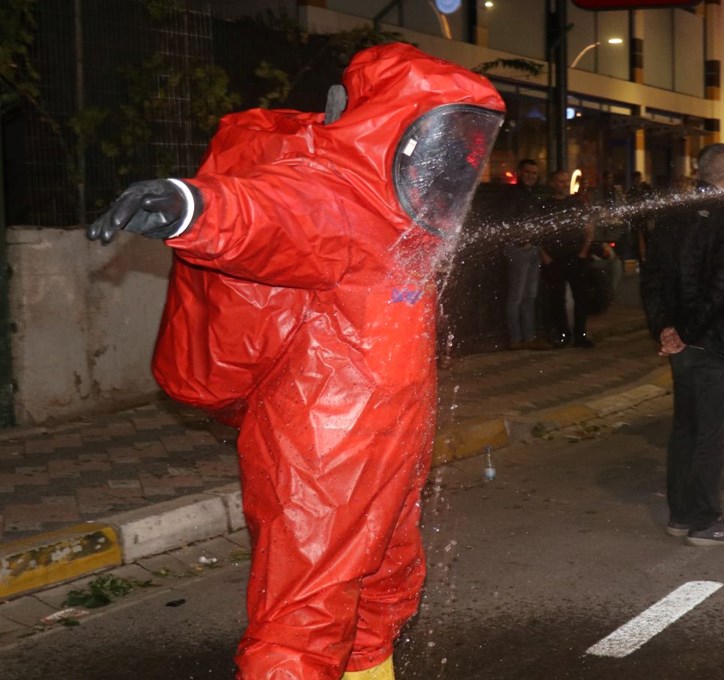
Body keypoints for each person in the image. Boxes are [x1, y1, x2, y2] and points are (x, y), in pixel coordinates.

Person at [86, 44, 504, 679]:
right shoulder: (346, 199)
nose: (457, 164)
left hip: (385, 442)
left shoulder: (403, 218)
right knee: (303, 619)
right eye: (449, 140)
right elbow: (272, 215)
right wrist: (190, 207)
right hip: (322, 449)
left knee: (383, 588)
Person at [640, 143, 724, 546]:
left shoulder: (671, 217)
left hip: (683, 347)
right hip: (715, 343)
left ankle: (681, 514)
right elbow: (722, 287)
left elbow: (652, 278)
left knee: (686, 431)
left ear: (698, 171)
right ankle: (706, 521)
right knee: (714, 435)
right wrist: (686, 332)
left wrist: (666, 329)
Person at [541, 169, 597, 348]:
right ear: (552, 183)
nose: (564, 185)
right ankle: (563, 334)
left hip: (575, 256)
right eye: (560, 181)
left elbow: (589, 228)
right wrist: (545, 256)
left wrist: (583, 252)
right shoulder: (546, 206)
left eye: (566, 181)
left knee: (581, 296)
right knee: (556, 298)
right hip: (554, 258)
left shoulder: (576, 204)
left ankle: (580, 335)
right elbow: (539, 232)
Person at [504, 159, 548, 350]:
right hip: (520, 248)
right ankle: (516, 338)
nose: (531, 176)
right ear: (520, 173)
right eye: (528, 172)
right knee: (517, 296)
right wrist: (522, 240)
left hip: (531, 248)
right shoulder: (513, 194)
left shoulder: (532, 195)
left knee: (529, 295)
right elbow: (507, 220)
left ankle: (527, 337)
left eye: (534, 173)